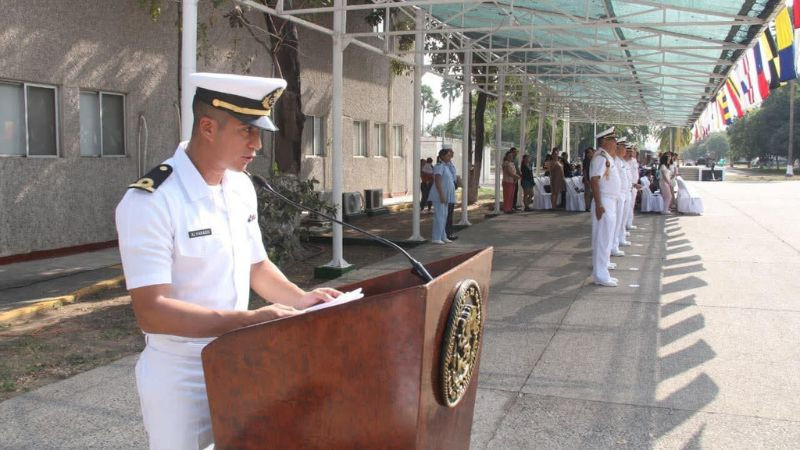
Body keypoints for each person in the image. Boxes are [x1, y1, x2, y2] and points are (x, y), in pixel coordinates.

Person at [115, 73, 343, 450]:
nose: (257, 145)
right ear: (207, 127)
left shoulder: (238, 187)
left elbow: (257, 266)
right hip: (180, 373)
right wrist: (251, 321)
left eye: (260, 133)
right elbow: (151, 311)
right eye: (246, 131)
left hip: (237, 360)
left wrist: (302, 299)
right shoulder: (151, 202)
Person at [590, 127, 621, 287]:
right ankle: (601, 276)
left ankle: (603, 272)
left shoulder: (607, 157)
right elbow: (594, 180)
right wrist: (599, 204)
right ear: (604, 142)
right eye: (613, 140)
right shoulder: (601, 158)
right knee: (602, 239)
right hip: (604, 201)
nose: (616, 143)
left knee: (606, 238)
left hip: (609, 201)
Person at [429, 148, 456, 244]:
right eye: (448, 155)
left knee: (444, 216)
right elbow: (437, 181)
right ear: (442, 156)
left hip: (445, 195)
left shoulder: (446, 166)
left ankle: (442, 236)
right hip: (439, 195)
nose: (450, 157)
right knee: (440, 216)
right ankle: (436, 237)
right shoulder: (439, 166)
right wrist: (441, 194)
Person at [611, 137, 630, 255]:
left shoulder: (621, 161)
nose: (626, 151)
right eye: (624, 148)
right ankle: (613, 246)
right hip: (618, 195)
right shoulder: (615, 161)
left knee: (621, 221)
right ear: (618, 148)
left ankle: (616, 243)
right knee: (616, 222)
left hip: (624, 193)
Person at [442, 144, 458, 241]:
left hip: (451, 190)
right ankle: (446, 234)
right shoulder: (442, 165)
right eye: (450, 152)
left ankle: (449, 233)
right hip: (446, 191)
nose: (452, 153)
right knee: (446, 214)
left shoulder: (450, 163)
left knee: (450, 213)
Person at [582, 147, 595, 212]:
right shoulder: (586, 160)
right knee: (587, 193)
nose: (591, 153)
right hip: (587, 179)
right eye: (589, 152)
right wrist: (586, 179)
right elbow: (584, 171)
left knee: (592, 193)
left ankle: (590, 206)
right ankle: (587, 207)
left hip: (592, 179)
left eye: (591, 152)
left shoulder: (593, 160)